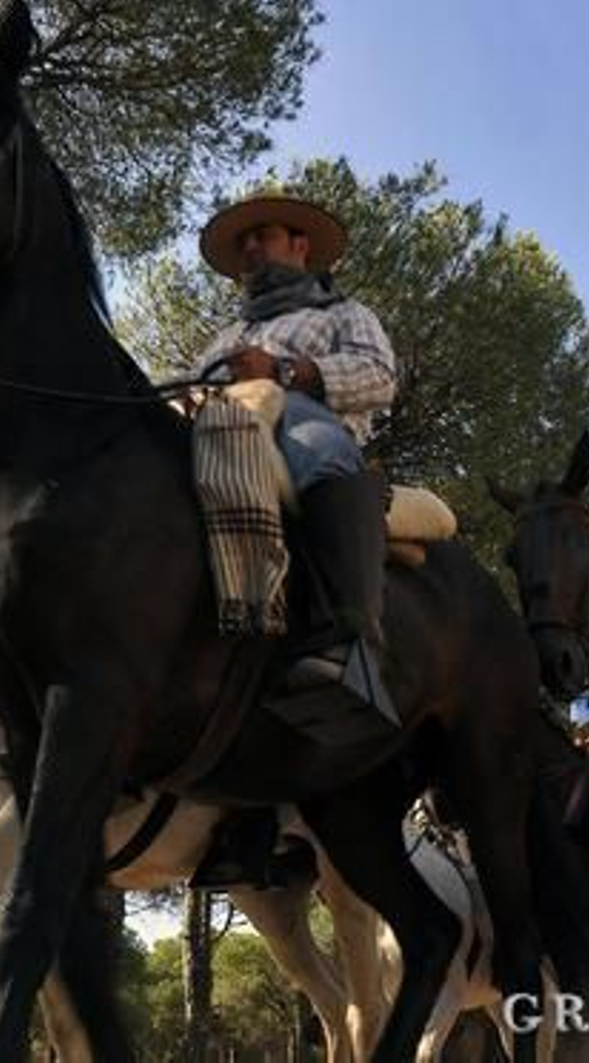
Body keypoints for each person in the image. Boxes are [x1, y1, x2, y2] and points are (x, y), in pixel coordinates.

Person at [187, 193, 398, 889]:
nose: (252, 249)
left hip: (300, 420)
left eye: (265, 236)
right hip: (219, 435)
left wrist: (281, 374)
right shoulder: (220, 338)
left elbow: (379, 378)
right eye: (244, 241)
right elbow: (192, 392)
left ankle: (349, 643)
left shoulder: (343, 314)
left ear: (301, 245)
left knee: (318, 453)